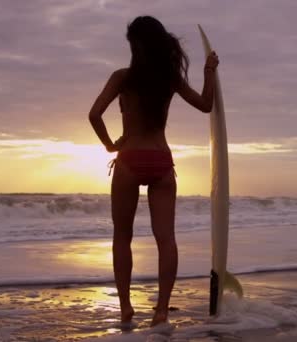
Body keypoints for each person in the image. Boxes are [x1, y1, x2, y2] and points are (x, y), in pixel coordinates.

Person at [88, 16, 219, 327]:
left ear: (134, 45)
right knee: (166, 239)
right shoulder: (169, 78)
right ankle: (161, 310)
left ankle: (125, 309)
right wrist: (208, 72)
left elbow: (94, 115)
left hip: (129, 160)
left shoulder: (122, 77)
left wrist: (110, 145)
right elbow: (205, 104)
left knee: (122, 237)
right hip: (161, 161)